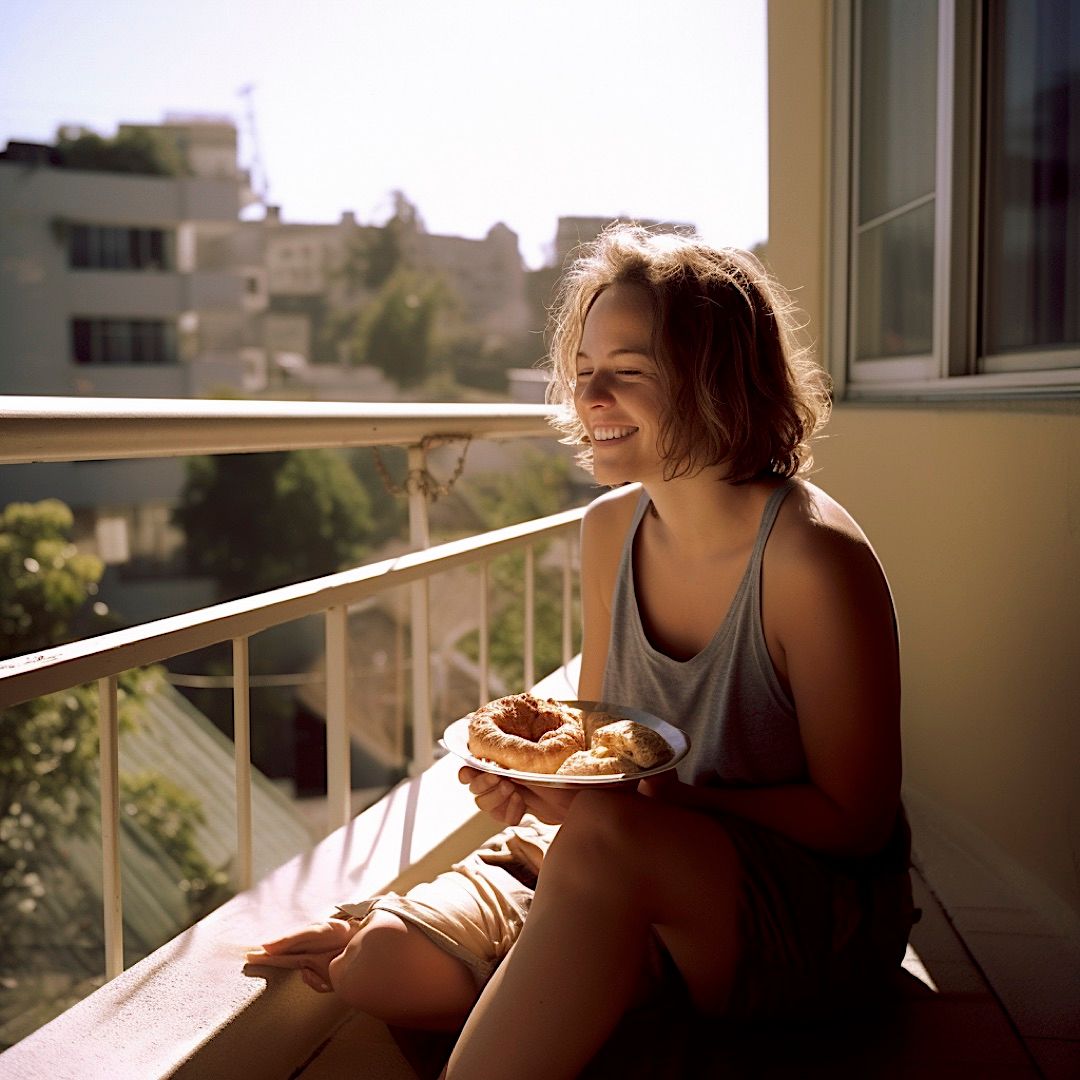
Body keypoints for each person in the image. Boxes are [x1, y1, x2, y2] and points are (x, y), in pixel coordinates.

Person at [246, 225, 916, 1079]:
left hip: (814, 912)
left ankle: (600, 971)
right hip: (633, 856)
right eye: (584, 368)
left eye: (628, 372)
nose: (588, 395)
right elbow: (603, 767)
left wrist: (659, 807)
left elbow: (855, 821)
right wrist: (544, 790)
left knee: (600, 849)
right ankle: (613, 967)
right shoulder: (609, 530)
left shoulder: (811, 560)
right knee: (378, 961)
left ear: (717, 381)